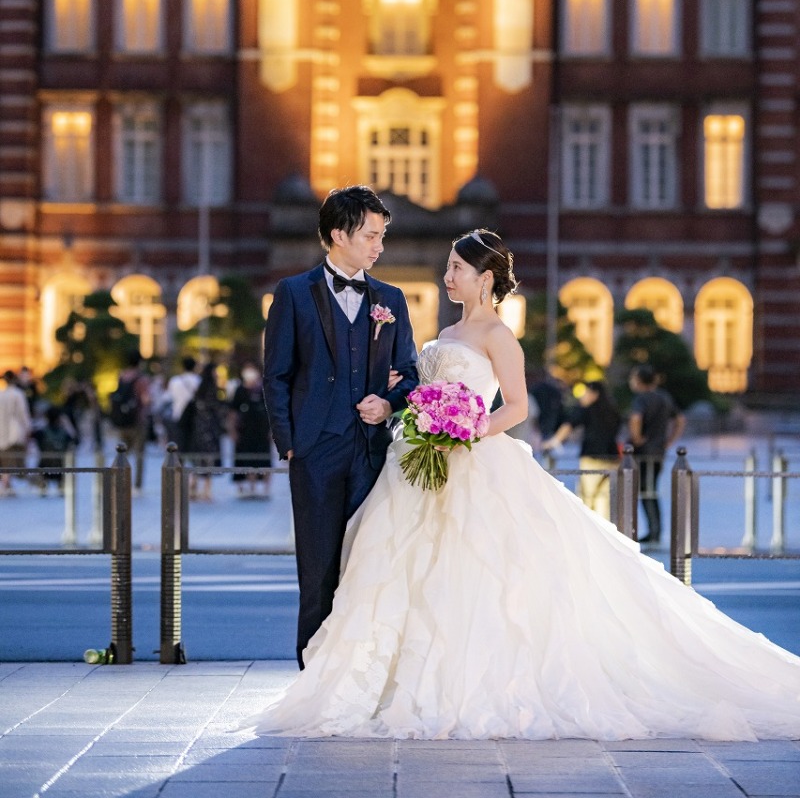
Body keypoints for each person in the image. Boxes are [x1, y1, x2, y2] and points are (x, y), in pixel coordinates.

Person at [244, 228, 800, 741]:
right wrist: (409, 397)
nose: (447, 276)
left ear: (484, 278)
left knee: (477, 575)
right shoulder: (446, 331)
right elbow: (422, 382)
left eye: (456, 267)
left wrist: (467, 429)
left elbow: (516, 406)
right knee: (399, 567)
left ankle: (466, 682)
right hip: (418, 459)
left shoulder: (498, 335)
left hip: (474, 458)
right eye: (447, 267)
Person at [263, 184, 419, 668]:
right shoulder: (293, 293)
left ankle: (361, 671)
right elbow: (277, 376)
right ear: (338, 235)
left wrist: (389, 404)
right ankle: (313, 672)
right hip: (314, 451)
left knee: (368, 566)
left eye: (381, 236)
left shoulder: (391, 298)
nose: (379, 246)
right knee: (317, 569)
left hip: (372, 453)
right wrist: (291, 446)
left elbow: (411, 374)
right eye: (371, 236)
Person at [542, 380, 621, 520]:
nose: (583, 397)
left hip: (592, 457)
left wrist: (553, 442)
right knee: (605, 499)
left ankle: (591, 531)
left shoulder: (587, 410)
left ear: (594, 394)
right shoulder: (613, 410)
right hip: (613, 458)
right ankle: (604, 531)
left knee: (588, 497)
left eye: (586, 393)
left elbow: (569, 425)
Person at [628, 363, 686, 546]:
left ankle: (654, 531)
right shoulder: (665, 398)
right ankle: (655, 529)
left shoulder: (641, 399)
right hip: (659, 450)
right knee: (651, 489)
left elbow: (635, 418)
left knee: (646, 490)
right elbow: (680, 419)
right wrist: (669, 440)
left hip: (644, 451)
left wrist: (636, 437)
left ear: (639, 381)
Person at [109, 350, 151, 494]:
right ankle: (137, 486)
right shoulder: (141, 379)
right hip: (137, 420)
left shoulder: (122, 376)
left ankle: (120, 481)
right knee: (139, 454)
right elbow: (145, 399)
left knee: (122, 452)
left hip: (122, 421)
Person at [228, 363, 273, 498]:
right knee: (246, 456)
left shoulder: (264, 389)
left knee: (264, 458)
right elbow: (233, 412)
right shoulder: (240, 390)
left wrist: (274, 431)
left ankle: (265, 488)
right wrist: (232, 430)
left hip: (262, 430)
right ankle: (249, 486)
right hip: (245, 430)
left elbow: (272, 411)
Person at [185, 361, 226, 501]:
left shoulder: (200, 389)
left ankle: (193, 486)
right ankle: (206, 490)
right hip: (210, 428)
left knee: (199, 457)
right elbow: (215, 408)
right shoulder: (212, 389)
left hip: (198, 427)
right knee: (209, 458)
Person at [0, 370, 31, 496]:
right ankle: (7, 484)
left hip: (2, 430)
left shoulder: (1, 394)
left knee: (4, 459)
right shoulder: (18, 394)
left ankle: (6, 484)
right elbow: (23, 414)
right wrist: (27, 428)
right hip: (13, 431)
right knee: (9, 459)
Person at [164, 356, 200, 451]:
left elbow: (168, 397)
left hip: (178, 416)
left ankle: (179, 464)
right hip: (194, 417)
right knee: (194, 447)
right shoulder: (199, 381)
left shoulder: (175, 381)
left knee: (179, 446)